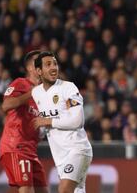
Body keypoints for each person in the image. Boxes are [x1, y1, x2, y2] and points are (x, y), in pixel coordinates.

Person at [32, 51, 93, 193]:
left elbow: (78, 121)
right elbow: (40, 125)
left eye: (55, 63)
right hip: (60, 156)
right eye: (48, 64)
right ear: (39, 71)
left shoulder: (68, 88)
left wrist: (48, 121)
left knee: (64, 190)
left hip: (78, 149)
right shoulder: (36, 93)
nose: (54, 67)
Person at [0, 50, 48, 193]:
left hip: (31, 150)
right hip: (16, 146)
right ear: (29, 68)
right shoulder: (20, 83)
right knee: (26, 189)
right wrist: (32, 93)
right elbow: (6, 105)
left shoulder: (46, 93)